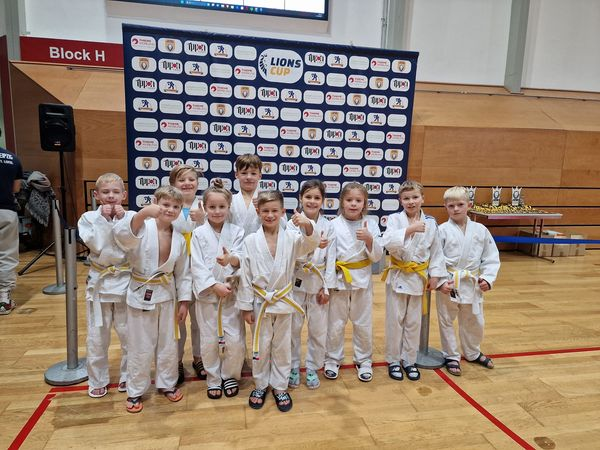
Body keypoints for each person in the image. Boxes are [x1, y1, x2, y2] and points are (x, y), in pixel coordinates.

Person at [237, 190, 319, 412]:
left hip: (283, 299)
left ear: (283, 212)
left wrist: (307, 224)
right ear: (258, 212)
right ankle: (261, 384)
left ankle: (280, 386)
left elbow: (311, 244)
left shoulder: (291, 238)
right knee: (260, 345)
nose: (270, 215)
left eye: (275, 210)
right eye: (265, 211)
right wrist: (245, 306)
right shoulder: (250, 240)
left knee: (282, 346)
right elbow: (245, 275)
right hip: (260, 301)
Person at [114, 185, 192, 413]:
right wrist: (142, 214)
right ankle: (135, 390)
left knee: (168, 343)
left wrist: (184, 301)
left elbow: (183, 273)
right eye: (165, 204)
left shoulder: (179, 238)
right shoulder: (142, 226)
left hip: (167, 295)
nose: (170, 210)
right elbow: (122, 237)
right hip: (141, 292)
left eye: (175, 207)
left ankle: (167, 383)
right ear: (155, 202)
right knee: (140, 344)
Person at [381, 180, 446, 381]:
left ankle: (409, 360)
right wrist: (410, 230)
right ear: (400, 200)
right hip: (398, 276)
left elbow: (436, 251)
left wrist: (436, 275)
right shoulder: (394, 219)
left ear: (422, 198)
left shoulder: (431, 223)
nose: (411, 202)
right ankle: (393, 360)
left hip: (419, 278)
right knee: (395, 321)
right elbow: (387, 243)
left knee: (414, 322)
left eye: (415, 197)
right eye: (406, 198)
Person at [78, 173, 133, 398]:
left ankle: (128, 375)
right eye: (106, 192)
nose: (111, 196)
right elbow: (97, 245)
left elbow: (131, 245)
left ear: (124, 195)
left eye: (116, 192)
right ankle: (97, 379)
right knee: (97, 336)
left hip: (125, 280)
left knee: (129, 333)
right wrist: (103, 219)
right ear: (96, 195)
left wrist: (122, 220)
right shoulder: (88, 218)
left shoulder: (131, 216)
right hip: (99, 282)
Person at [436, 186, 500, 376]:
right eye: (451, 206)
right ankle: (451, 355)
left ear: (469, 205)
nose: (456, 209)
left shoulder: (481, 230)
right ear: (446, 207)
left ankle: (472, 352)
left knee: (474, 320)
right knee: (446, 320)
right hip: (450, 281)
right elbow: (435, 259)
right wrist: (440, 282)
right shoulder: (442, 230)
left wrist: (488, 278)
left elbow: (491, 256)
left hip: (472, 282)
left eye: (460, 204)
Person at [190, 179, 244, 399]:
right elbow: (196, 265)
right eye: (212, 207)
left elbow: (242, 259)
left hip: (231, 294)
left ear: (229, 207)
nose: (217, 211)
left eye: (222, 206)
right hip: (208, 296)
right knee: (209, 340)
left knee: (235, 340)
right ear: (204, 208)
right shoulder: (198, 234)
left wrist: (231, 261)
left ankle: (230, 374)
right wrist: (213, 285)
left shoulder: (237, 231)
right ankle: (213, 378)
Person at [324, 182, 383, 382]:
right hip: (339, 280)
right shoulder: (333, 225)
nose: (353, 204)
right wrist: (328, 284)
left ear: (364, 203)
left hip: (362, 280)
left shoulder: (371, 224)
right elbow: (329, 257)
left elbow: (377, 257)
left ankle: (364, 360)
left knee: (363, 323)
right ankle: (332, 359)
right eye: (349, 200)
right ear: (342, 202)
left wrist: (369, 240)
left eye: (358, 200)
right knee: (335, 324)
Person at [287, 180, 335, 390]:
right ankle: (293, 366)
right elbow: (291, 253)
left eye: (317, 197)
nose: (312, 201)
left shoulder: (329, 226)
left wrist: (327, 288)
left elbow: (331, 259)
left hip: (318, 283)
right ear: (300, 198)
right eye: (308, 197)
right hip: (296, 281)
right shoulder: (292, 223)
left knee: (317, 328)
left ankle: (313, 367)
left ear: (323, 201)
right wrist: (313, 244)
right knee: (293, 328)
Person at [169, 164, 206, 384]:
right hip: (176, 271)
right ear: (173, 183)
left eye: (191, 179)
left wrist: (203, 219)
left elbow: (216, 232)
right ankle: (176, 361)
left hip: (200, 270)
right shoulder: (168, 206)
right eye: (181, 180)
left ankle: (199, 357)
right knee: (178, 320)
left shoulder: (204, 205)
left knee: (200, 320)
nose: (187, 183)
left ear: (197, 183)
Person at [0, 130, 23, 315]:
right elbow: (16, 188)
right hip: (6, 211)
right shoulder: (12, 158)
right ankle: (4, 299)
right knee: (7, 255)